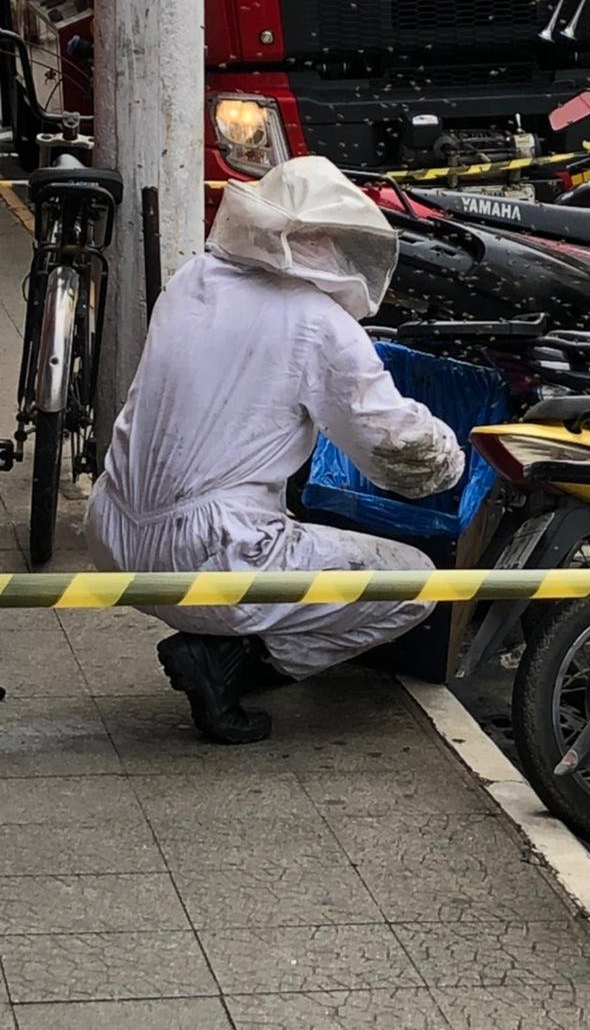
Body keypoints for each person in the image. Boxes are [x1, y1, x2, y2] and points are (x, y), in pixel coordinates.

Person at [85, 157, 465, 745]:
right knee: (415, 585)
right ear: (312, 239)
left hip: (112, 530)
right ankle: (230, 664)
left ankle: (222, 638)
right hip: (212, 553)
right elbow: (401, 456)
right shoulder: (317, 323)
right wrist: (457, 454)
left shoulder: (194, 279)